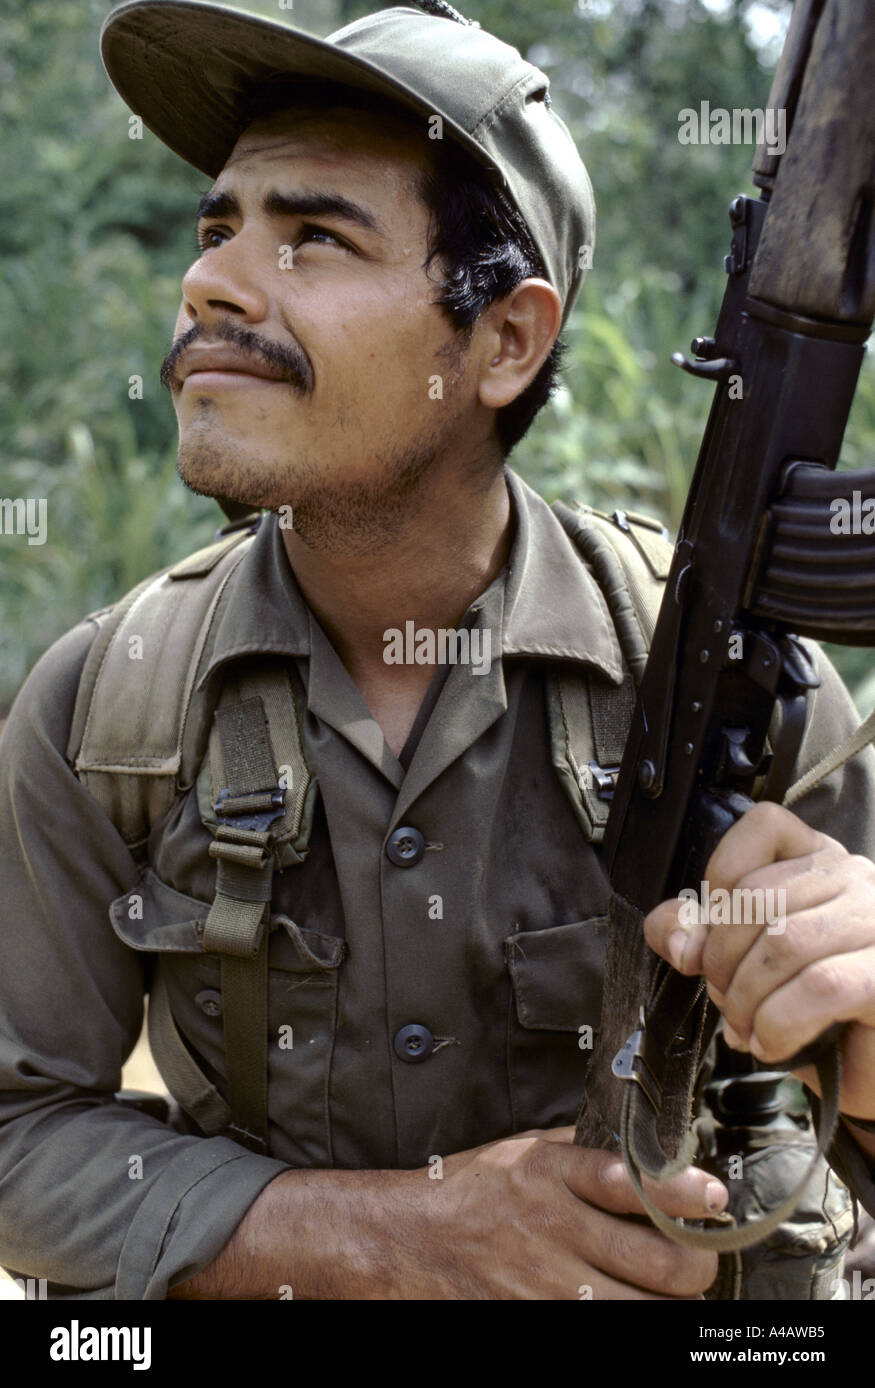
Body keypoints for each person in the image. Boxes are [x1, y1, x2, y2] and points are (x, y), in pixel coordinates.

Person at [0, 0, 874, 1302]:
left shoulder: (733, 690)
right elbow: (23, 1135)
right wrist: (396, 1234)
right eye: (216, 227)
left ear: (505, 339)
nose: (211, 281)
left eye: (312, 238)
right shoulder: (105, 702)